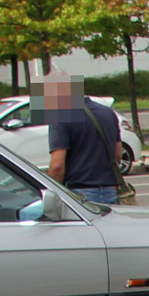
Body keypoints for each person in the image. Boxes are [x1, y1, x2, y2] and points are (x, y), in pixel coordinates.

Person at [41, 74, 123, 206]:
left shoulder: (60, 116)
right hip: (111, 190)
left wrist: (53, 191)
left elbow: (57, 165)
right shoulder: (107, 112)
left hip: (80, 193)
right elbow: (118, 154)